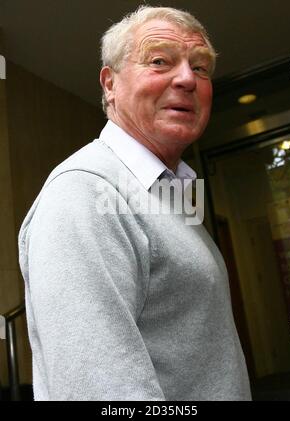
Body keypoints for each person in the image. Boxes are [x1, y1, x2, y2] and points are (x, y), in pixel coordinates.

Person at [18, 5, 251, 401]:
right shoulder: (85, 191)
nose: (187, 79)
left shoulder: (167, 192)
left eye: (200, 67)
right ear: (110, 84)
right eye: (160, 61)